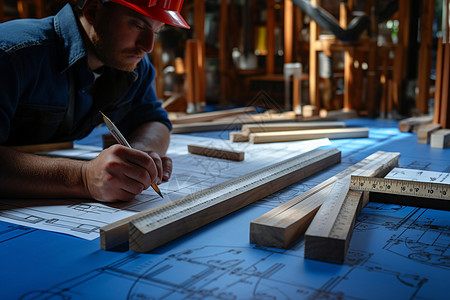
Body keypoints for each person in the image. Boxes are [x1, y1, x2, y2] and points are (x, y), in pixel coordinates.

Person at [0, 0, 189, 202]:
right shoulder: (11, 55)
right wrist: (84, 177)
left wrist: (139, 155)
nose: (148, 47)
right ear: (93, 12)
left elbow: (152, 120)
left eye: (157, 31)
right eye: (137, 25)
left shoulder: (133, 66)